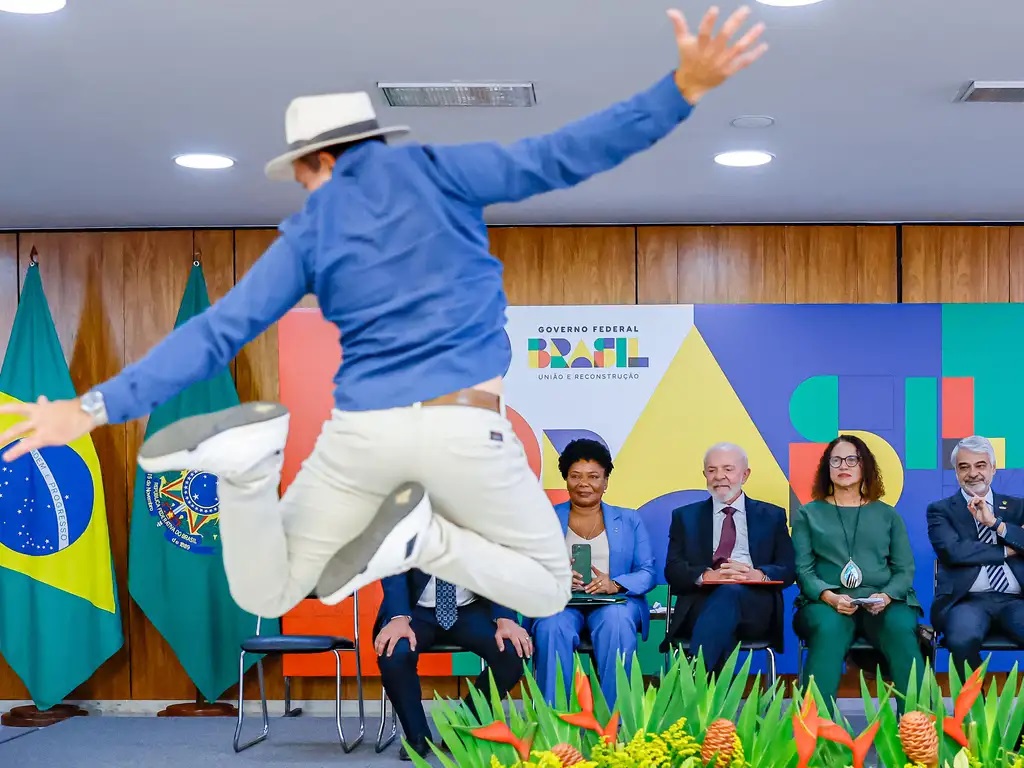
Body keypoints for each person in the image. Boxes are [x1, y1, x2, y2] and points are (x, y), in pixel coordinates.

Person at [0, 6, 768, 621]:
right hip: (464, 428)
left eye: (300, 172)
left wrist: (90, 407)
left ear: (322, 160)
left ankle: (247, 469)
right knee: (546, 588)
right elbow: (567, 152)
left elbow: (219, 329)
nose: (303, 189)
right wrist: (682, 89)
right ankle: (421, 538)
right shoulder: (445, 171)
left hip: (359, 434)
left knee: (264, 594)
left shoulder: (309, 231)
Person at [792, 434, 924, 711]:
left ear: (864, 466)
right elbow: (803, 571)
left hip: (883, 601)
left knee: (900, 629)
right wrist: (829, 597)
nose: (844, 465)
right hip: (826, 603)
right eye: (836, 460)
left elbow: (904, 570)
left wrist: (886, 596)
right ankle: (817, 738)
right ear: (827, 467)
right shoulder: (808, 514)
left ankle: (920, 733)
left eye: (852, 459)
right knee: (829, 629)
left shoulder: (887, 515)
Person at [526, 439, 654, 707]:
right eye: (575, 476)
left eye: (594, 477)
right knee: (551, 625)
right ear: (566, 480)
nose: (584, 483)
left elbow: (647, 572)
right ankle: (554, 720)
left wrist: (615, 583)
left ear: (606, 481)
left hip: (614, 602)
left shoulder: (629, 520)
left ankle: (614, 719)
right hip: (561, 602)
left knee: (616, 621)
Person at [662, 442, 795, 673]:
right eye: (711, 470)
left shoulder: (771, 516)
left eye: (728, 469)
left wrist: (759, 575)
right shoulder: (685, 517)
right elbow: (672, 570)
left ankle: (695, 683)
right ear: (704, 475)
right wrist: (707, 576)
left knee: (730, 593)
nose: (719, 477)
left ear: (745, 474)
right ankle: (710, 696)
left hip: (755, 608)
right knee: (723, 600)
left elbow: (789, 568)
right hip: (700, 605)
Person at [373, 569, 531, 760]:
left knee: (513, 650)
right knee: (395, 652)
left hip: (471, 608)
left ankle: (462, 725)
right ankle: (417, 736)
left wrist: (505, 617)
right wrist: (398, 616)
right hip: (414, 610)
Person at [928, 435, 1024, 678]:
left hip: (1017, 601)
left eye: (980, 465)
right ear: (956, 472)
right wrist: (1007, 548)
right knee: (961, 640)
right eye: (964, 466)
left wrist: (995, 524)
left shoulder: (1017, 508)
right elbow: (953, 552)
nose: (973, 473)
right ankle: (975, 713)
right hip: (966, 601)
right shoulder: (940, 510)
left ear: (993, 468)